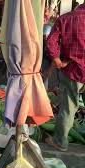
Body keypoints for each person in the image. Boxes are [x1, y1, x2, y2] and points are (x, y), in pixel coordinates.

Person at [45, 3, 85, 152]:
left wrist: (56, 59)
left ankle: (60, 142)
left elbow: (51, 41)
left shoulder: (66, 18)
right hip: (76, 68)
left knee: (68, 107)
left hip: (73, 70)